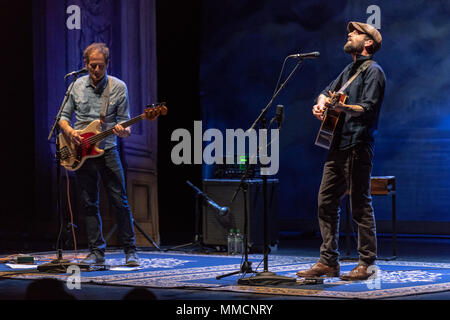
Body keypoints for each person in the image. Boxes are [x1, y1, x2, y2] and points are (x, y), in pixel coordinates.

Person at [297, 22, 385, 280]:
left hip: (358, 144)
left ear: (368, 42)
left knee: (359, 205)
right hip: (336, 145)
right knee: (325, 202)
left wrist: (342, 109)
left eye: (356, 33)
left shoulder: (374, 71)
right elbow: (326, 92)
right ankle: (328, 261)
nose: (350, 35)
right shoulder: (349, 69)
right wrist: (321, 103)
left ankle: (367, 263)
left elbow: (368, 109)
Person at [59, 43, 139, 266]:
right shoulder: (75, 85)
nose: (96, 70)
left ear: (107, 64)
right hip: (80, 152)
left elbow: (126, 124)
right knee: (89, 203)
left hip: (108, 150)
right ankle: (96, 252)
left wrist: (124, 130)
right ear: (85, 64)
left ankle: (130, 250)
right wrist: (71, 132)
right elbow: (63, 118)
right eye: (92, 66)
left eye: (100, 66)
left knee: (119, 201)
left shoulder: (118, 87)